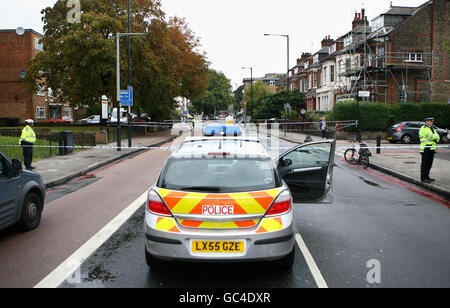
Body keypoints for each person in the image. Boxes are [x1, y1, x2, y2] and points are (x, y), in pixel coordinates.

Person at [419, 117, 440, 183]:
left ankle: (427, 176)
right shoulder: (423, 128)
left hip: (432, 148)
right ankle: (423, 178)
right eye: (431, 121)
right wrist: (435, 136)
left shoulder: (432, 128)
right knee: (425, 164)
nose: (432, 122)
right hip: (426, 148)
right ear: (427, 121)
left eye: (432, 121)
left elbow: (438, 137)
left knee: (429, 164)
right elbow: (430, 136)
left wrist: (435, 137)